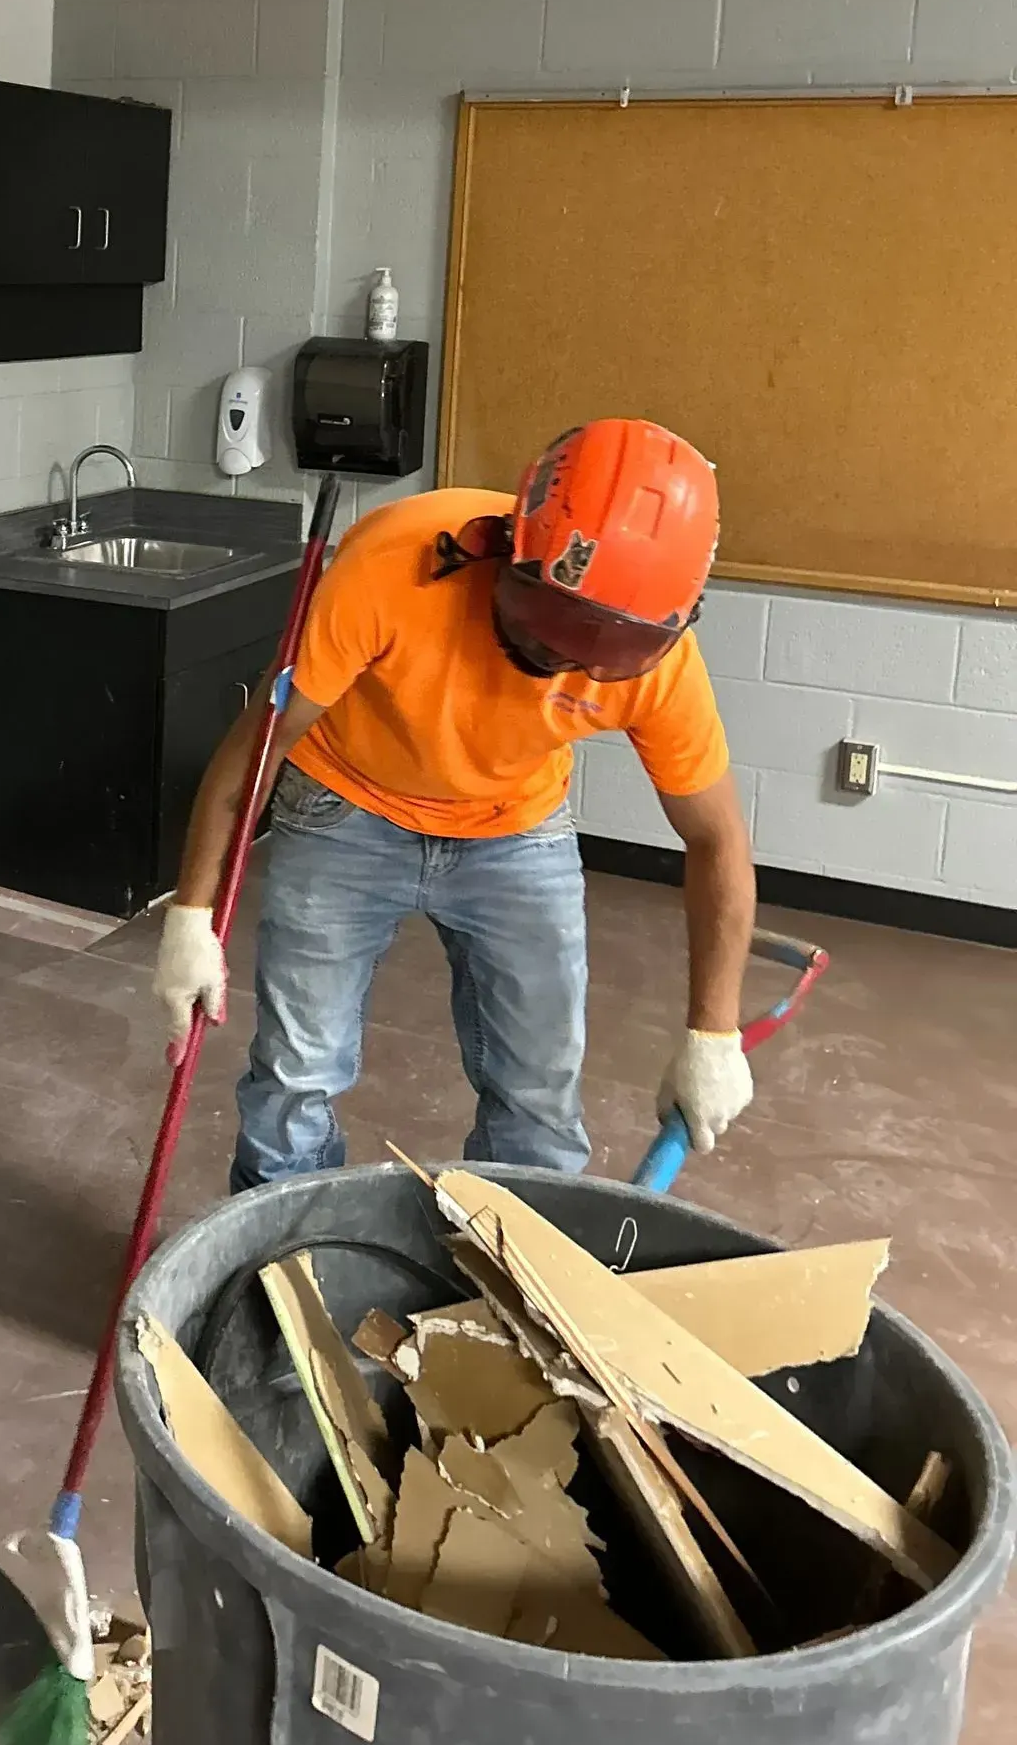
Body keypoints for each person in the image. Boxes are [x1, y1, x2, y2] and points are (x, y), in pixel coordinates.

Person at [154, 419, 756, 1191]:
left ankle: (511, 1274)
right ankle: (278, 1269)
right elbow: (258, 745)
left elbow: (716, 840)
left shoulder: (657, 666)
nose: (563, 663)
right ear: (508, 547)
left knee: (539, 1093)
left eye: (593, 654)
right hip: (346, 804)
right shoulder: (391, 567)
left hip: (515, 828)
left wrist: (713, 1032)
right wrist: (191, 916)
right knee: (296, 1074)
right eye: (549, 633)